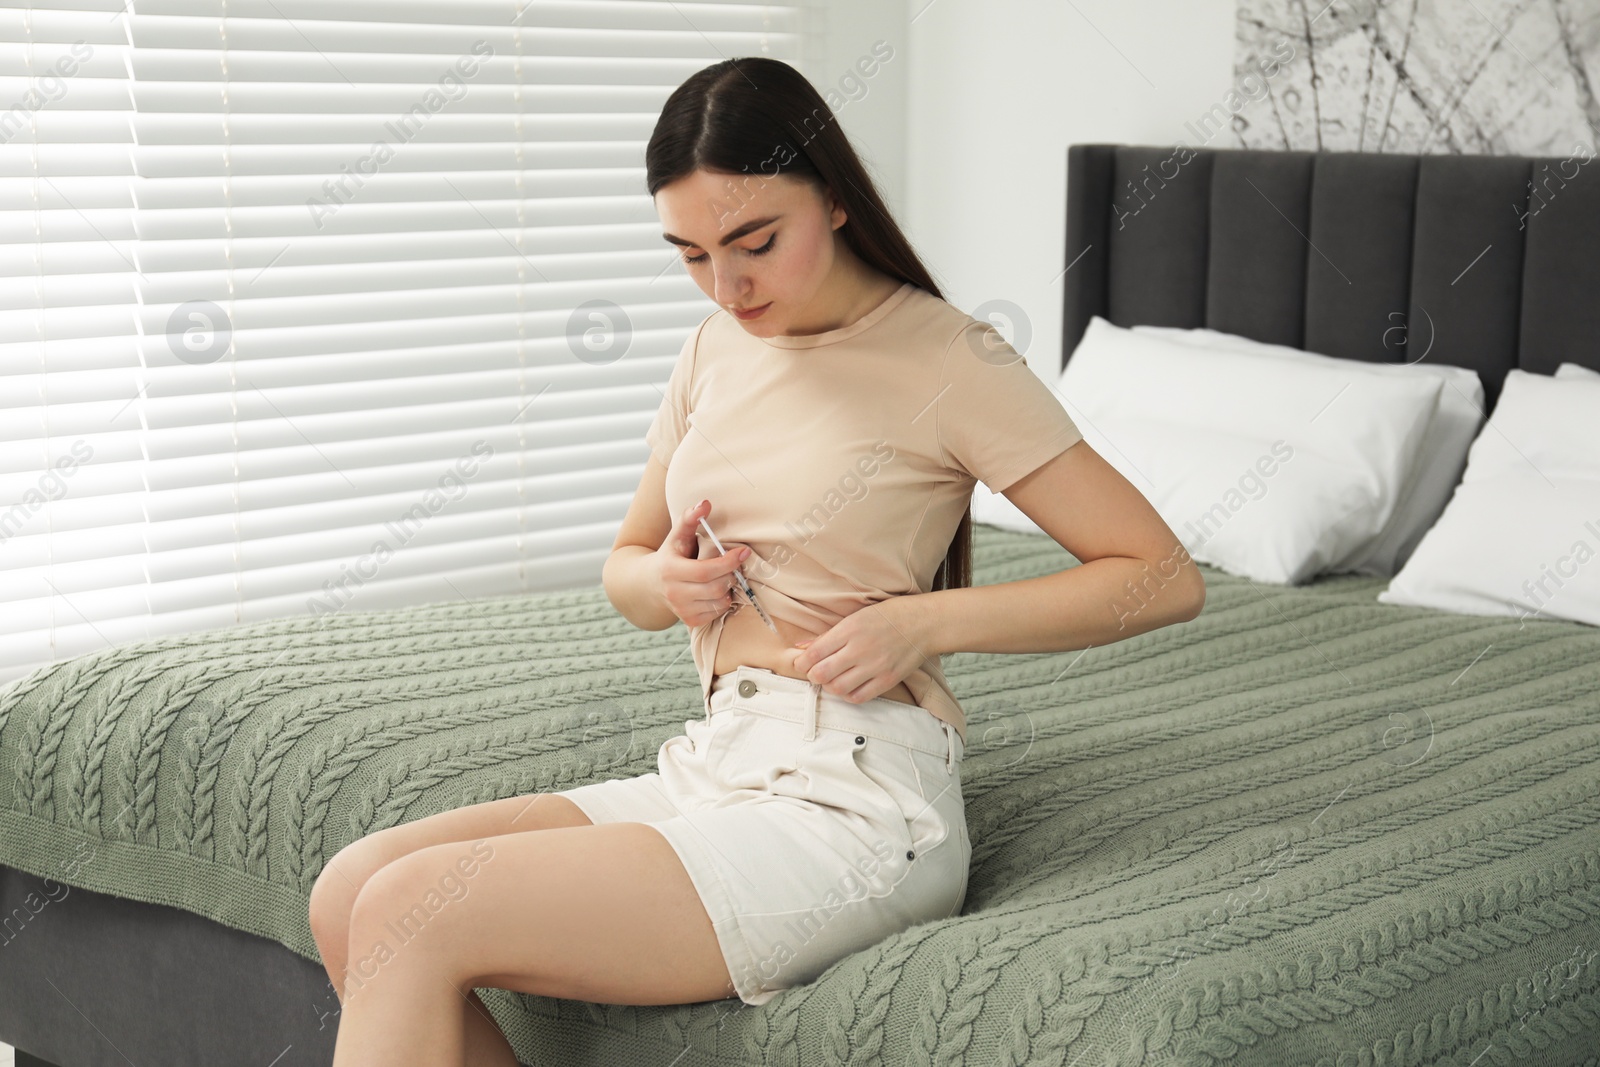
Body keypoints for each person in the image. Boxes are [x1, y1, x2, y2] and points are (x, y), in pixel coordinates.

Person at [310, 56, 1206, 1066]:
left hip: (855, 800)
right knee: (354, 886)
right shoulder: (711, 350)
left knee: (413, 910)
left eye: (753, 242)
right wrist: (666, 582)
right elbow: (626, 564)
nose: (726, 286)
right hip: (718, 760)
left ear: (832, 198)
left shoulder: (951, 358)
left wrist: (925, 621)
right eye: (690, 253)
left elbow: (1160, 573)